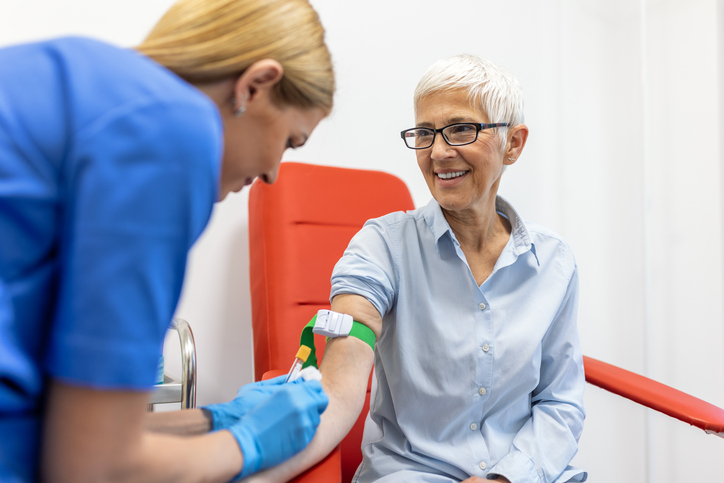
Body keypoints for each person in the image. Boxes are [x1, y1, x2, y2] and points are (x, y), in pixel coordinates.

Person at [0, 0, 334, 481]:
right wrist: (247, 445)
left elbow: (78, 429)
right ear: (255, 85)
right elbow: (94, 468)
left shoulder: (81, 76)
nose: (273, 174)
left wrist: (214, 420)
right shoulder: (172, 129)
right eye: (289, 141)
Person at [249, 55, 587, 483]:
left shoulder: (553, 262)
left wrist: (509, 478)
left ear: (513, 144)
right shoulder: (382, 245)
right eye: (424, 133)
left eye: (462, 129)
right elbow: (347, 357)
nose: (439, 152)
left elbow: (561, 402)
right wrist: (244, 455)